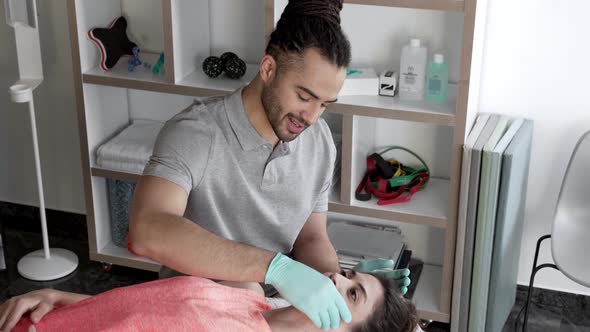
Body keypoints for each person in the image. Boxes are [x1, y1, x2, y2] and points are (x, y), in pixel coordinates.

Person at [125, 0, 409, 330]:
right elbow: (146, 231)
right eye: (304, 96)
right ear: (268, 69)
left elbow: (311, 238)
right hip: (194, 314)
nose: (312, 117)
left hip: (270, 311)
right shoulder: (196, 133)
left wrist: (343, 289)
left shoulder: (319, 142)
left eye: (324, 104)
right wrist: (274, 268)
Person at [0, 270, 417, 332]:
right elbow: (143, 311)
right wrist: (58, 296)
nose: (334, 278)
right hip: (38, 317)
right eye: (349, 275)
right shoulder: (257, 299)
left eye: (351, 293)